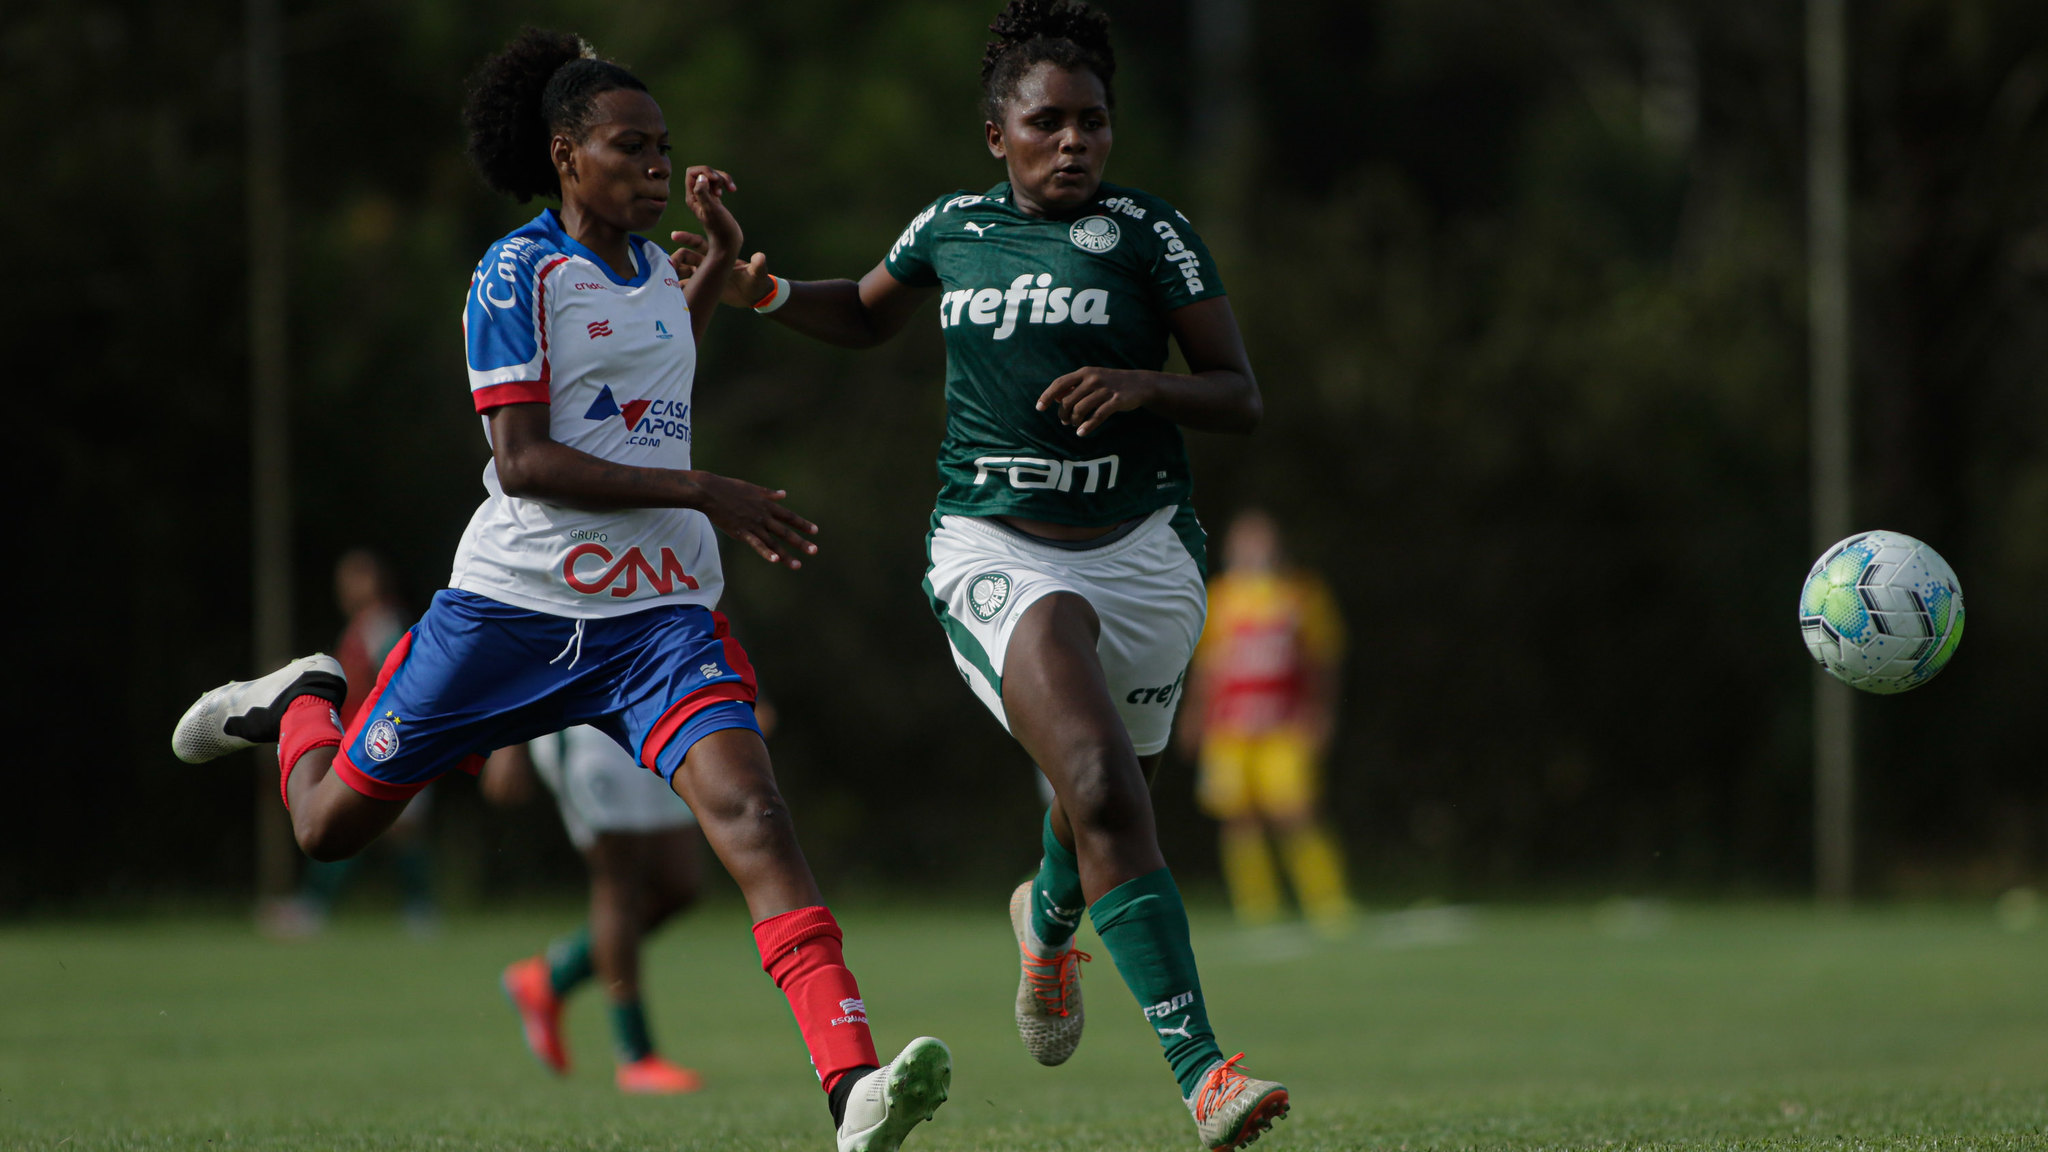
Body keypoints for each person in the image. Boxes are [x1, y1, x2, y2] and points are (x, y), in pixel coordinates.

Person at [171, 29, 949, 1152]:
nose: (654, 167)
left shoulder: (652, 272)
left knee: (756, 821)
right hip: (512, 613)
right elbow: (528, 460)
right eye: (629, 147)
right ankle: (302, 698)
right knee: (326, 829)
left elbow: (646, 373)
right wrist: (706, 488)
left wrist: (717, 267)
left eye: (663, 148)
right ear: (565, 156)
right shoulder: (514, 272)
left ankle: (852, 1089)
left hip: (659, 621)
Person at [669, 3, 1286, 1146]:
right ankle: (1205, 1075)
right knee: (1100, 775)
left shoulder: (1151, 234)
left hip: (1144, 552)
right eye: (1045, 122)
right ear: (994, 134)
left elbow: (1238, 394)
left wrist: (1146, 386)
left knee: (1101, 793)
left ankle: (1048, 922)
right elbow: (863, 316)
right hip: (993, 547)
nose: (1073, 143)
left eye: (1092, 122)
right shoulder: (949, 227)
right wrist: (760, 293)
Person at [484, 717, 721, 1094]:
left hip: (652, 713)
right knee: (619, 882)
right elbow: (505, 653)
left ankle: (549, 978)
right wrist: (507, 739)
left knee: (681, 884)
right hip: (583, 725)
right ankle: (636, 1056)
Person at [1180, 510, 1354, 935]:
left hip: (1284, 725)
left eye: (1263, 541)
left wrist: (1321, 712)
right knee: (1239, 817)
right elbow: (1207, 669)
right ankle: (1258, 910)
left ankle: (1329, 905)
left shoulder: (1302, 595)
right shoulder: (1220, 599)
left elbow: (1323, 660)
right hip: (1232, 728)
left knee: (1297, 810)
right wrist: (1194, 717)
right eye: (1246, 542)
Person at [264, 550, 439, 938]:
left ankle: (319, 907)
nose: (345, 587)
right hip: (375, 741)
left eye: (354, 578)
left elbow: (400, 671)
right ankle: (418, 913)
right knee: (373, 826)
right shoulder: (364, 624)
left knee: (352, 821)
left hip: (386, 742)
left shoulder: (380, 623)